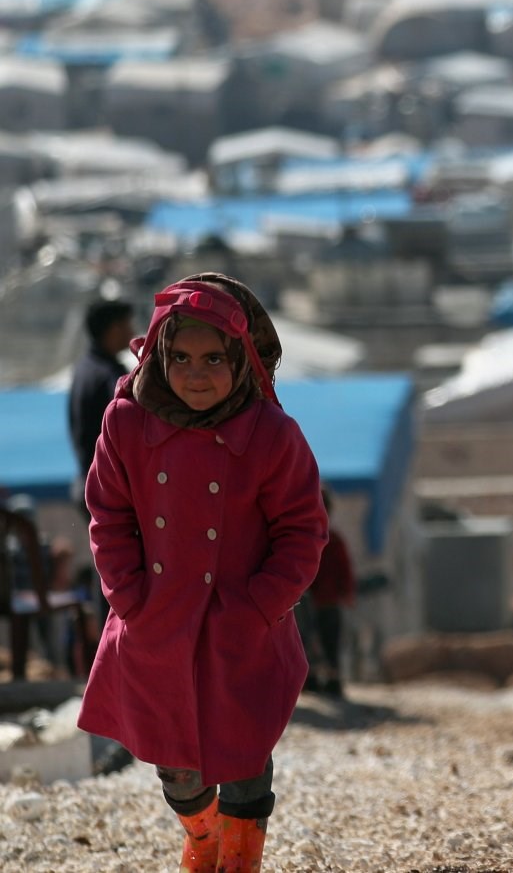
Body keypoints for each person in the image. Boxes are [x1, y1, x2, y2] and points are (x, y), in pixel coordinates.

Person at [77, 273, 328, 872]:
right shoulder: (126, 423)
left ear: (240, 359)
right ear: (158, 356)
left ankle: (238, 861)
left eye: (214, 358)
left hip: (241, 625)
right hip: (157, 621)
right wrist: (129, 597)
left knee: (244, 757)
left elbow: (302, 531)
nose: (196, 374)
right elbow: (108, 514)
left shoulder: (271, 434)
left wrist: (260, 605)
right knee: (177, 768)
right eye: (181, 358)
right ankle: (202, 838)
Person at [69, 299, 136, 502]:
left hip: (89, 480)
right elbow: (129, 427)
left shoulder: (85, 368)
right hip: (109, 489)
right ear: (114, 329)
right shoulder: (109, 375)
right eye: (127, 325)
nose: (132, 331)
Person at [297, 487, 356, 699]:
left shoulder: (330, 539)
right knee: (311, 641)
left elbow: (344, 570)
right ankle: (317, 678)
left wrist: (346, 592)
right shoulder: (322, 538)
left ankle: (327, 679)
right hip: (312, 601)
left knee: (322, 641)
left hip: (321, 601)